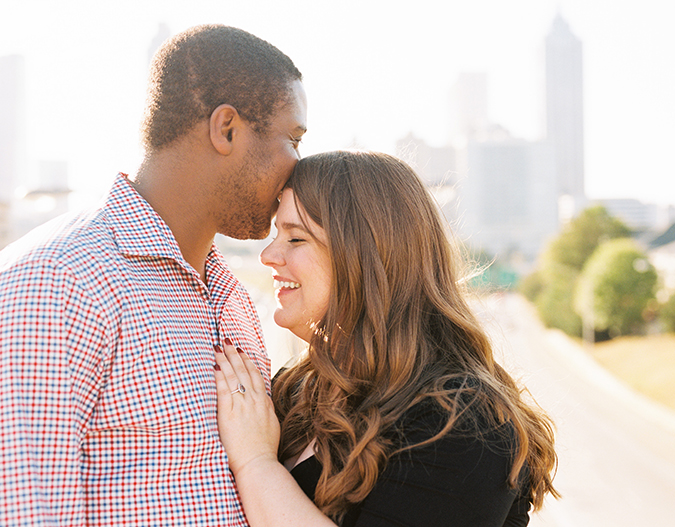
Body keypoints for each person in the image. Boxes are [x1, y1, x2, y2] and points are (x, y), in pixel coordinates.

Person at [0, 25, 307, 526]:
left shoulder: (231, 295)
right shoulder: (56, 285)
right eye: (292, 140)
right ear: (226, 128)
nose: (298, 166)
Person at [214, 150, 559, 527]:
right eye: (277, 233)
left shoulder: (464, 422)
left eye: (296, 238)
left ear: (367, 257)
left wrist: (255, 463)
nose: (268, 255)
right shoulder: (298, 387)